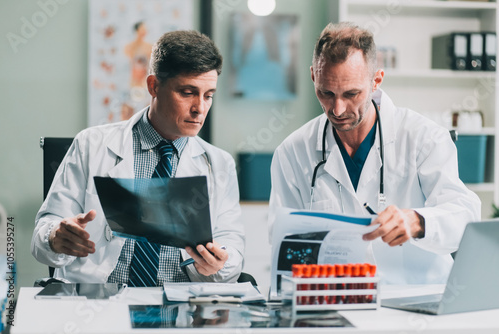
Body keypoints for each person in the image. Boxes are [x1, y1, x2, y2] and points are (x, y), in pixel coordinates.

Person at [269, 22, 481, 284]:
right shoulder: (292, 152)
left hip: (417, 303)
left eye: (351, 94)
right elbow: (283, 244)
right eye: (326, 93)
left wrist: (417, 221)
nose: (337, 109)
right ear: (314, 76)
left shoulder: (423, 138)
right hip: (336, 303)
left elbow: (466, 215)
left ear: (376, 81)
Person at [32, 30, 245, 285]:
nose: (200, 108)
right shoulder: (91, 144)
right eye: (187, 92)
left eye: (208, 95)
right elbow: (42, 236)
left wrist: (219, 263)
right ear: (154, 86)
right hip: (99, 305)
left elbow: (232, 248)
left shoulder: (219, 163)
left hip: (181, 309)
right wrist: (55, 237)